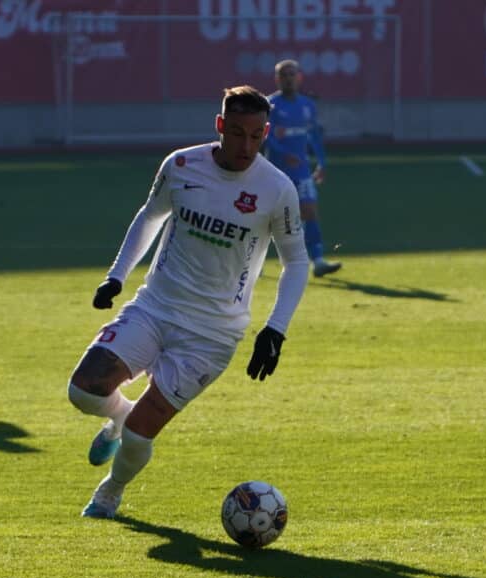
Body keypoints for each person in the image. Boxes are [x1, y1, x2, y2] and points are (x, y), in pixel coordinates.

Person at [68, 85, 310, 519]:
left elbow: (297, 261)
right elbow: (150, 215)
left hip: (212, 334)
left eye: (257, 136)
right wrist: (116, 276)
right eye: (237, 133)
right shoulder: (181, 165)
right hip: (155, 307)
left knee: (142, 436)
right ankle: (119, 413)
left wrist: (275, 329)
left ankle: (110, 491)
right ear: (220, 126)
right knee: (83, 392)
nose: (246, 145)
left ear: (266, 132)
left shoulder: (276, 189)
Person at [265, 59, 341, 278]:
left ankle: (317, 261)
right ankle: (252, 261)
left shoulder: (308, 105)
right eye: (284, 75)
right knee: (265, 218)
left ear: (299, 78)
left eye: (292, 74)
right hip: (276, 171)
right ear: (277, 79)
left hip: (301, 170)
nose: (288, 78)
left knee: (310, 211)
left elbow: (314, 137)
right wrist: (283, 153)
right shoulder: (270, 105)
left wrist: (322, 162)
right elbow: (266, 137)